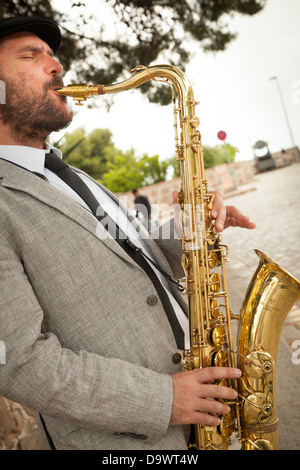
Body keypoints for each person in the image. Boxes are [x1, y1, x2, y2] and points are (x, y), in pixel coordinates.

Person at [0, 17, 256, 450]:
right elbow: (19, 362)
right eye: (31, 55)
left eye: (51, 53)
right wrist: (163, 400)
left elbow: (136, 244)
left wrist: (193, 224)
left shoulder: (74, 176)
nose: (56, 64)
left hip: (208, 418)